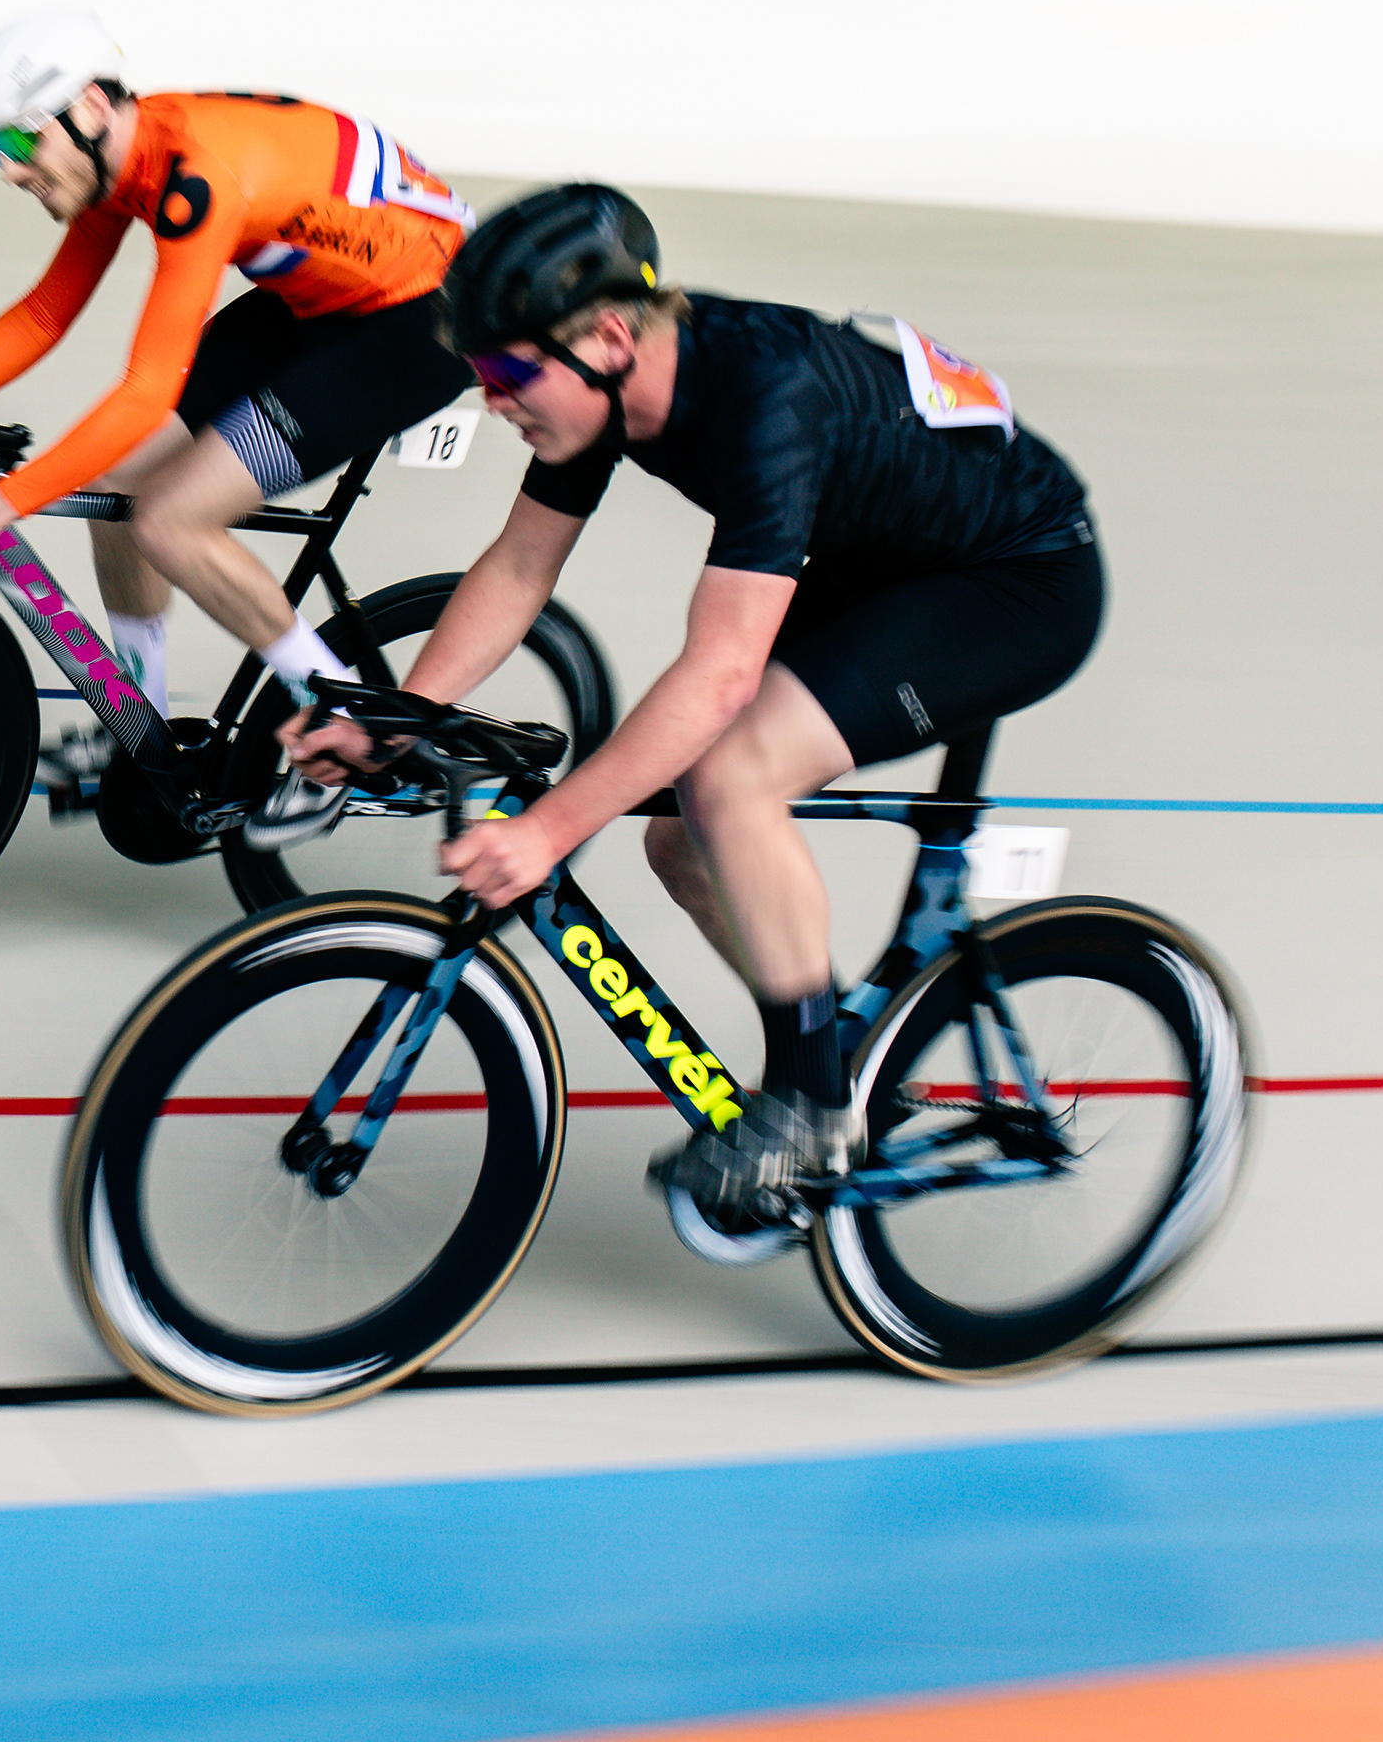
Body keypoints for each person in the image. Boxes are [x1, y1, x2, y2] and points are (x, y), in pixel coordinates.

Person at [280, 182, 1103, 1229]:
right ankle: (831, 1063)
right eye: (480, 375)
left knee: (729, 778)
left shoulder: (767, 396)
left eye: (508, 374)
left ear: (610, 338)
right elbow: (521, 567)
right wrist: (397, 716)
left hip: (1016, 579)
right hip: (891, 556)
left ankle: (811, 1113)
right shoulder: (598, 390)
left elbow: (718, 676)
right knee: (680, 839)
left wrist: (546, 832)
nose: (490, 401)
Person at [0, 9, 474, 846]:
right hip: (320, 301)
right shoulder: (117, 162)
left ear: (90, 108)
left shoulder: (196, 178)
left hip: (420, 321)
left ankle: (350, 734)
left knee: (170, 520)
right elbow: (45, 313)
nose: (9, 171)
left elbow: (144, 393)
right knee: (114, 484)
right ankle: (141, 725)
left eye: (18, 143)